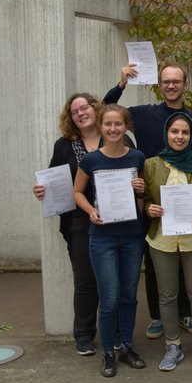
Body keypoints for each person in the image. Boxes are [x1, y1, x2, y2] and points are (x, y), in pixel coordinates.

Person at [104, 62, 192, 338]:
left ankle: (184, 313)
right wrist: (122, 82)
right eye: (166, 81)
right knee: (154, 256)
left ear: (186, 84)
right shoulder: (142, 114)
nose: (171, 86)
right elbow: (106, 111)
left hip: (184, 199)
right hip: (150, 198)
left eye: (177, 81)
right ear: (159, 85)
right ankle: (158, 316)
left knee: (184, 256)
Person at [32, 93, 128, 356]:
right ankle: (84, 335)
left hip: (117, 219)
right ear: (70, 118)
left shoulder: (115, 134)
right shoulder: (64, 145)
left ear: (95, 108)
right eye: (75, 111)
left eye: (84, 107)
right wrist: (42, 190)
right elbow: (53, 178)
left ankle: (117, 333)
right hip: (80, 221)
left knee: (116, 281)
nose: (81, 113)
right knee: (85, 280)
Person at [72, 104, 147, 378]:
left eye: (118, 124)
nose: (113, 129)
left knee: (129, 295)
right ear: (101, 127)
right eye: (108, 125)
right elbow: (77, 192)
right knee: (110, 296)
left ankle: (126, 346)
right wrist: (91, 211)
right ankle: (108, 353)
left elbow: (140, 204)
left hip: (132, 236)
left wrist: (141, 191)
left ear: (126, 127)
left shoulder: (138, 157)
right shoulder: (91, 160)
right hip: (102, 237)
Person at [143, 112, 192, 371]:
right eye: (174, 131)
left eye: (185, 132)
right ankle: (172, 346)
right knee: (167, 295)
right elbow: (142, 198)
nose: (179, 136)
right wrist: (149, 209)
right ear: (166, 133)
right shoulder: (151, 164)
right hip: (162, 240)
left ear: (190, 136)